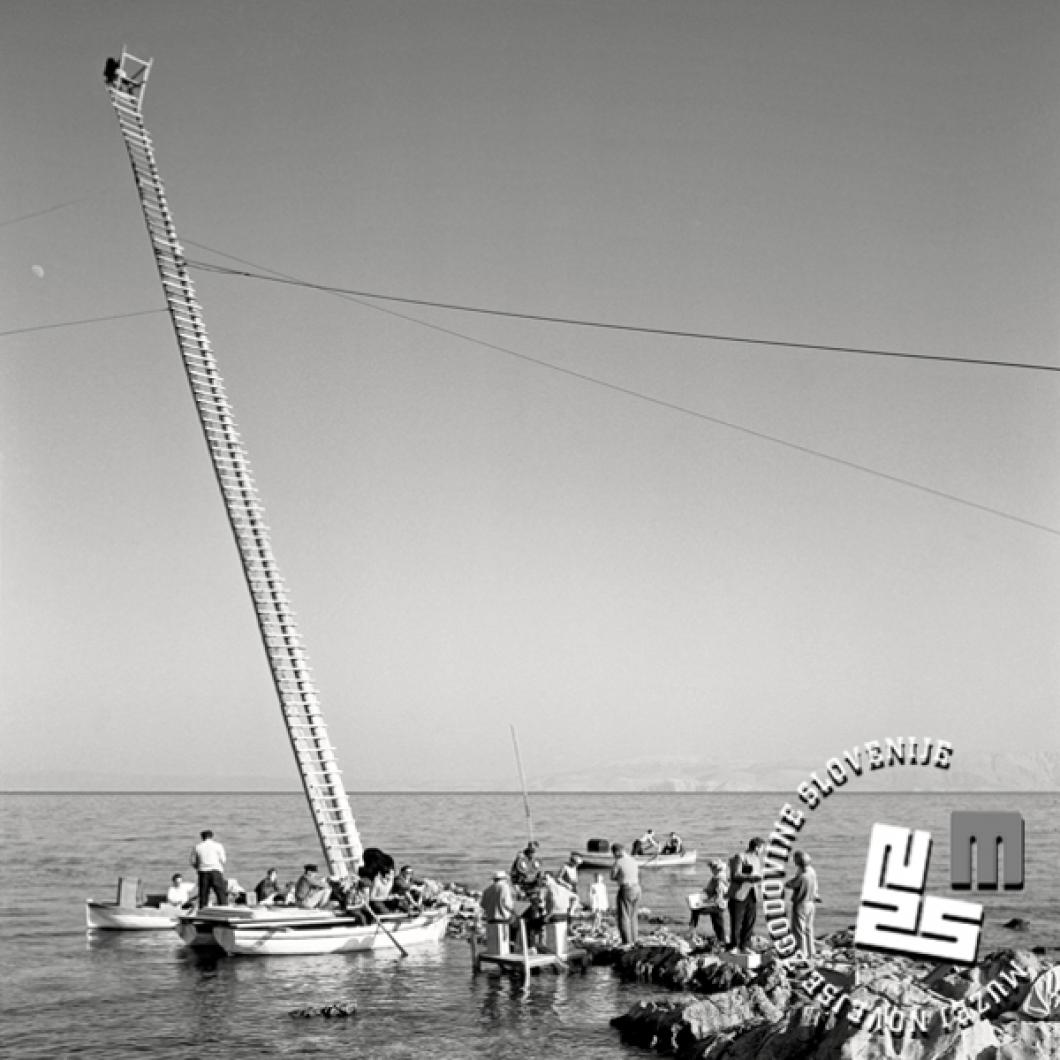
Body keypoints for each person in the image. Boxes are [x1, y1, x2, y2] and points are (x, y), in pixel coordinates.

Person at [728, 837, 765, 952]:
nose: (763, 851)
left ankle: (745, 945)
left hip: (752, 893)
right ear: (757, 847)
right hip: (738, 893)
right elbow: (735, 875)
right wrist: (751, 877)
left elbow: (757, 875)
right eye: (762, 848)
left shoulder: (757, 859)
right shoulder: (740, 857)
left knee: (750, 921)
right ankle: (734, 946)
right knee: (737, 922)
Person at [785, 850, 819, 959]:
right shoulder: (812, 871)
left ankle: (802, 953)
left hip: (801, 903)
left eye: (795, 859)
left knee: (799, 930)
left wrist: (788, 883)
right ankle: (811, 951)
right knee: (809, 929)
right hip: (811, 903)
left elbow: (791, 884)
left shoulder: (802, 876)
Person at [689, 858, 728, 945]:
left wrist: (705, 902)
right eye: (711, 867)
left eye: (712, 867)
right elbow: (710, 891)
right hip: (717, 904)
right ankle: (721, 940)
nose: (711, 869)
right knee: (718, 924)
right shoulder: (716, 877)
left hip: (718, 905)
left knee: (696, 910)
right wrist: (703, 896)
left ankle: (692, 932)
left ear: (717, 868)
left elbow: (719, 895)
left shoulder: (719, 878)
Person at [610, 842, 642, 945]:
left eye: (614, 854)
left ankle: (627, 942)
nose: (613, 856)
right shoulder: (633, 860)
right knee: (633, 916)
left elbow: (612, 876)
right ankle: (635, 939)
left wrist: (618, 876)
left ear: (617, 852)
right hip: (637, 888)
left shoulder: (618, 862)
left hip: (626, 888)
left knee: (624, 916)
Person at [480, 870, 517, 951]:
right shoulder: (505, 887)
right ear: (503, 879)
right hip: (503, 919)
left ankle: (507, 943)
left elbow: (482, 905)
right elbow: (507, 904)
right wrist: (514, 911)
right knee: (516, 921)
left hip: (490, 919)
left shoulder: (487, 890)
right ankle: (511, 945)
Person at [190, 829, 227, 908]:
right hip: (216, 871)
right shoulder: (218, 846)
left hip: (203, 872)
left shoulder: (197, 847)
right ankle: (224, 909)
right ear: (212, 836)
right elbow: (223, 860)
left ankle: (203, 912)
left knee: (203, 895)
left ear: (202, 837)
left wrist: (197, 867)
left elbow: (192, 861)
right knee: (220, 893)